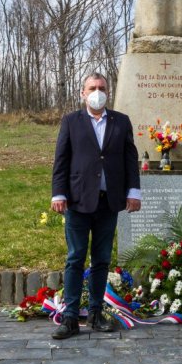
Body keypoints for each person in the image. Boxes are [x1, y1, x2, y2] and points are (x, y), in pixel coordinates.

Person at [50, 73, 142, 340]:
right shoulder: (71, 121)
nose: (97, 92)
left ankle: (95, 312)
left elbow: (129, 158)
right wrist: (58, 194)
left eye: (102, 88)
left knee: (102, 260)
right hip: (78, 201)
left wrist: (133, 192)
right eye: (92, 88)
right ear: (83, 92)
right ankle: (69, 318)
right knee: (75, 258)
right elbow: (61, 160)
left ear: (108, 92)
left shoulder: (121, 121)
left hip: (109, 201)